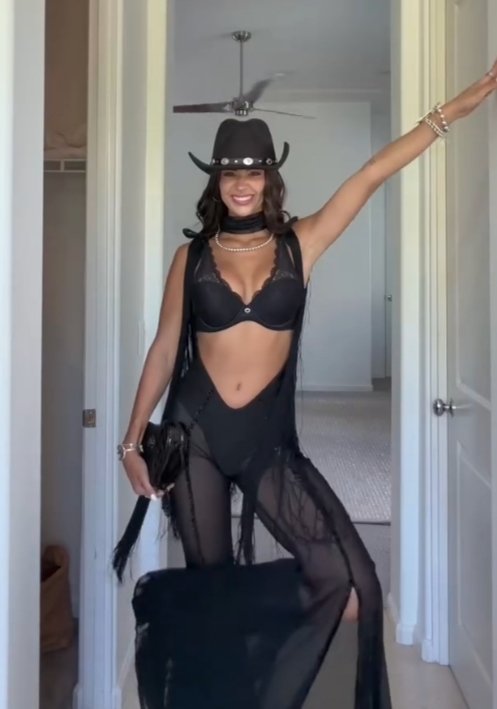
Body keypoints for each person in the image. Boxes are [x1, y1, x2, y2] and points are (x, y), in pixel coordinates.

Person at [114, 63, 497, 709]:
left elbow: (371, 173)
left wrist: (453, 110)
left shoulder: (301, 244)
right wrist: (130, 443)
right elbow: (163, 348)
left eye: (253, 171)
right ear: (216, 182)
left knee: (351, 580)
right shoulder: (192, 256)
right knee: (211, 586)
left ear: (270, 178)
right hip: (195, 434)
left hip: (265, 442)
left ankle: (263, 677)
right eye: (229, 173)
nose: (241, 183)